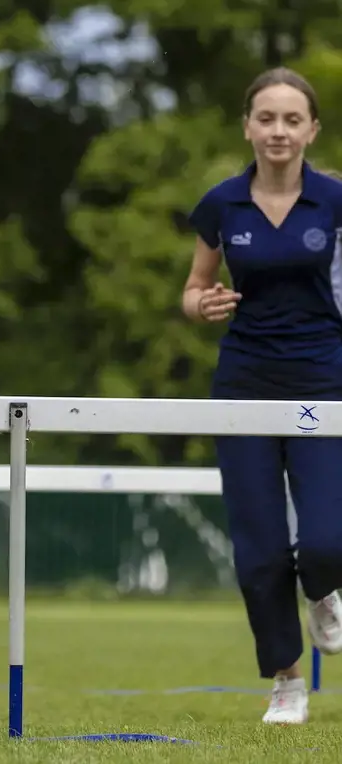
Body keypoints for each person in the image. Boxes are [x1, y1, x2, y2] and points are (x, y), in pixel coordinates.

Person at [183, 66, 342, 724]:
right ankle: (287, 681)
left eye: (292, 119)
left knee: (328, 540)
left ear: (311, 130)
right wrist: (203, 305)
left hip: (324, 377)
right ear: (248, 127)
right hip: (244, 380)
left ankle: (324, 590)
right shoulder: (222, 204)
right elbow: (194, 288)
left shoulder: (335, 201)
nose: (279, 131)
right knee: (259, 548)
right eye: (267, 118)